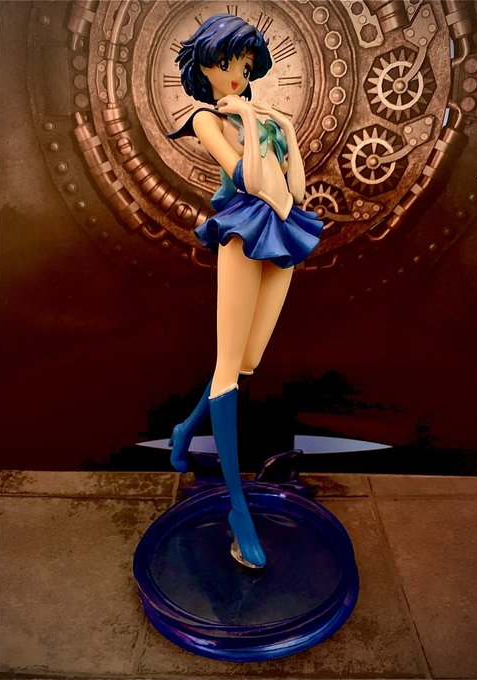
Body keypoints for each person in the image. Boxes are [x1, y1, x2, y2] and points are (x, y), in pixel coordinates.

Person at [168, 13, 323, 569]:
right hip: (242, 230)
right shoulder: (207, 117)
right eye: (226, 62)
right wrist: (257, 120)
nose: (237, 73)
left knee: (247, 359)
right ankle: (239, 511)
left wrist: (284, 130)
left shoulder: (261, 117)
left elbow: (293, 189)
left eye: (246, 65)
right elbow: (249, 179)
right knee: (229, 372)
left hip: (284, 226)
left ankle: (185, 429)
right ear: (204, 65)